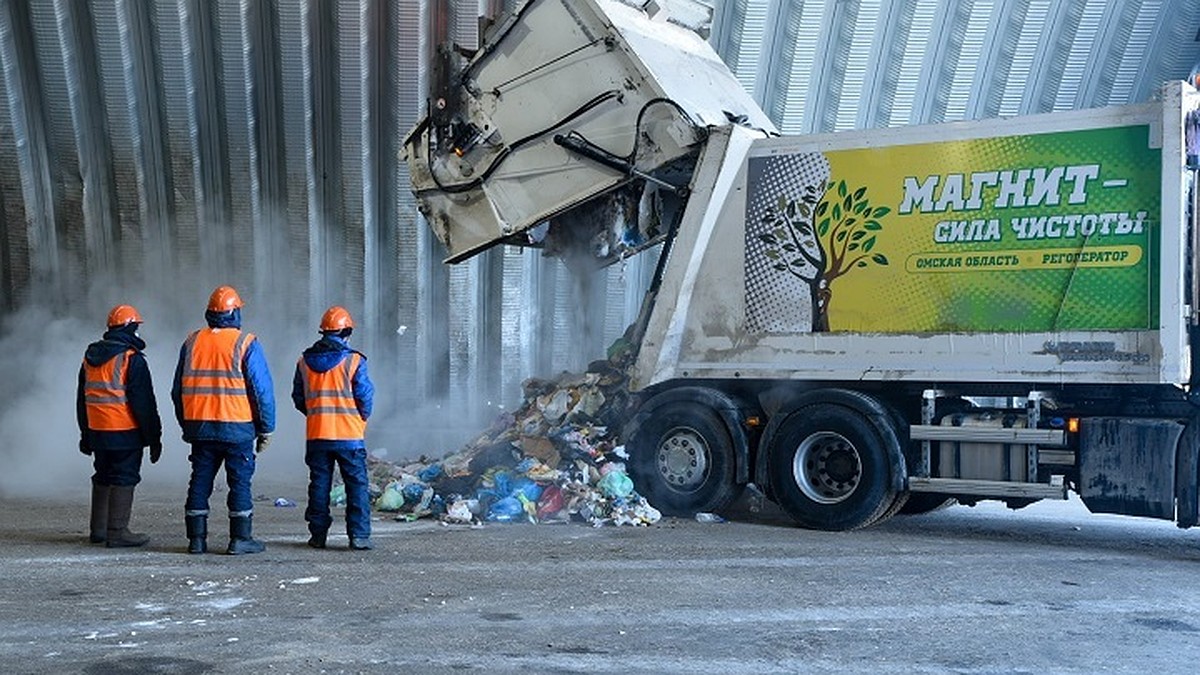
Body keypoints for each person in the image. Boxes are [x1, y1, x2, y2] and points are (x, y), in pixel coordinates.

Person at [172, 285, 275, 555]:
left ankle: (196, 541)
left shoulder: (191, 342)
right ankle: (240, 540)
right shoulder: (246, 343)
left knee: (200, 481)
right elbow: (261, 390)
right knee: (239, 482)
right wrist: (266, 429)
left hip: (201, 428)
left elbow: (177, 390)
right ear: (236, 313)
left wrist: (187, 425)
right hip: (237, 429)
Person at [76, 304, 163, 548]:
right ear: (130, 328)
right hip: (125, 433)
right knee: (124, 477)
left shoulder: (89, 358)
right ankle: (117, 532)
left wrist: (86, 434)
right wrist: (154, 438)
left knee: (103, 475)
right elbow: (144, 404)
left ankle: (99, 530)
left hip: (98, 432)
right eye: (136, 327)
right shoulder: (130, 359)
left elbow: (81, 400)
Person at [291, 306, 375, 550]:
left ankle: (318, 536)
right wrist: (360, 418)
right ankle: (358, 536)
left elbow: (299, 398)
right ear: (346, 331)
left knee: (319, 484)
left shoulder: (304, 362)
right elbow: (365, 397)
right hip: (349, 436)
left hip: (318, 435)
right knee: (356, 485)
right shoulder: (354, 361)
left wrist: (317, 416)